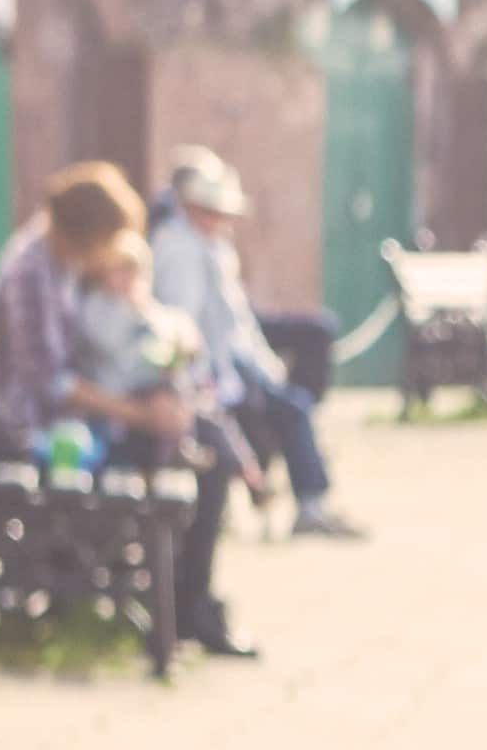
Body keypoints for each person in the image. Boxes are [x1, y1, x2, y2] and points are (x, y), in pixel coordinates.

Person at [148, 149, 355, 537]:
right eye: (213, 210)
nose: (223, 220)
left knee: (296, 393)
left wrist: (265, 369)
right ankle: (310, 507)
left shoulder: (212, 246)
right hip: (209, 376)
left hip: (234, 365)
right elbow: (184, 325)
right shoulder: (177, 249)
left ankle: (306, 499)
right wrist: (205, 382)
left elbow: (238, 323)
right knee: (290, 413)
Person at [0, 163, 198, 466]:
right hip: (38, 431)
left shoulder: (67, 264)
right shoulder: (31, 272)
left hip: (85, 414)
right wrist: (138, 415)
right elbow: (48, 383)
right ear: (84, 236)